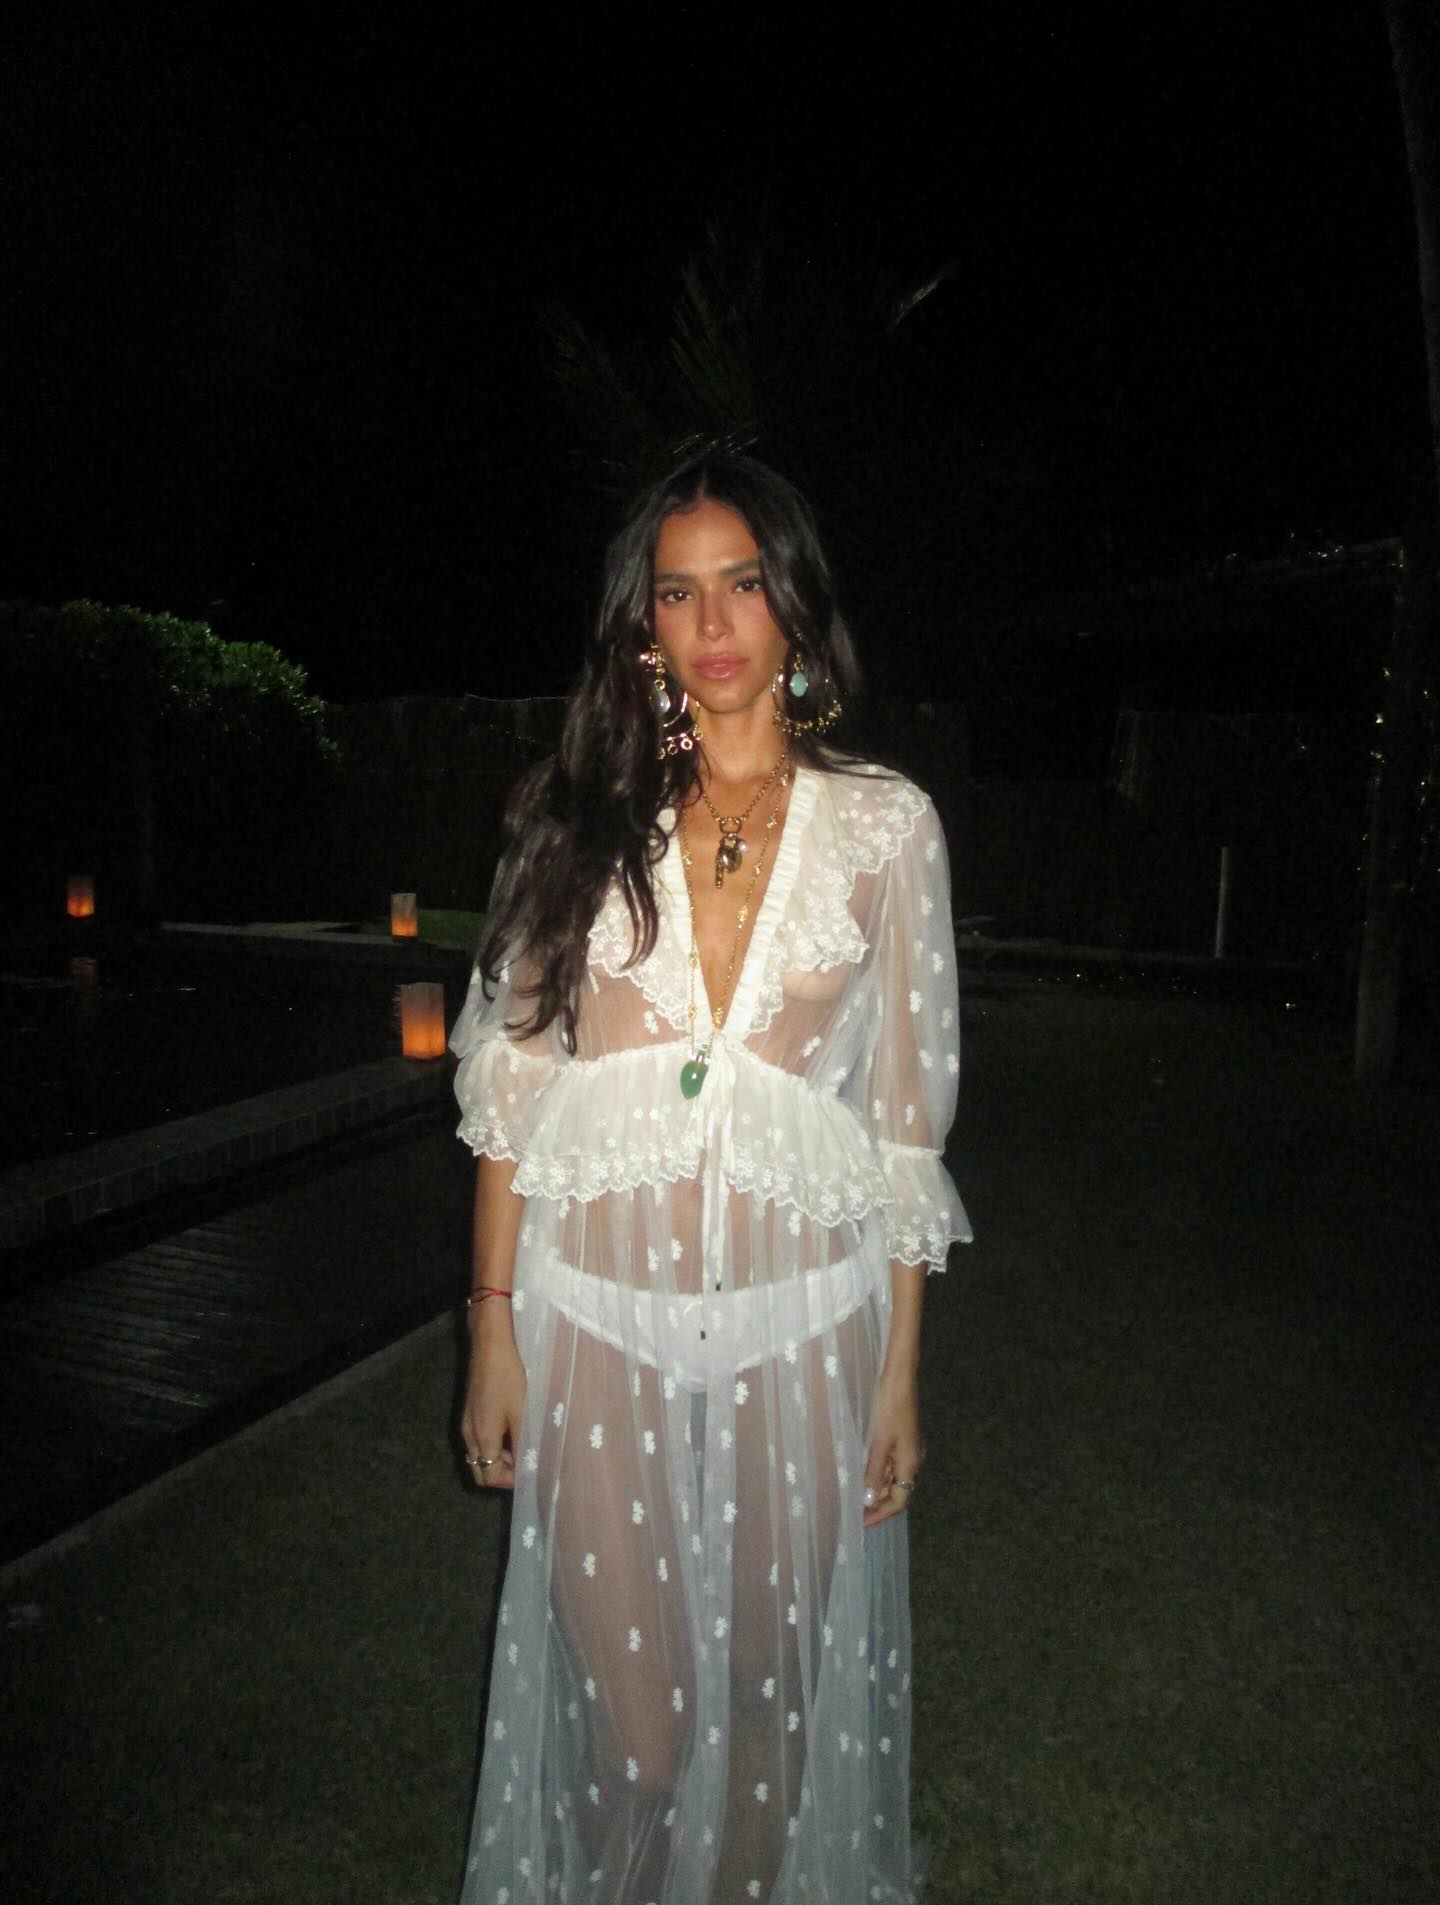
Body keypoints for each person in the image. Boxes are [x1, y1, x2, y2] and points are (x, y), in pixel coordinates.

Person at [451, 454, 970, 1904]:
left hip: (803, 1336)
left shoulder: (887, 828)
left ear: (793, 601)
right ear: (644, 627)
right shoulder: (579, 817)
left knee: (764, 1715)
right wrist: (492, 1327)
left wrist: (898, 1375)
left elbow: (903, 1129)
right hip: (593, 1326)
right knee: (643, 1736)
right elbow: (512, 1100)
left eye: (742, 582)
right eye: (678, 593)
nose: (715, 622)